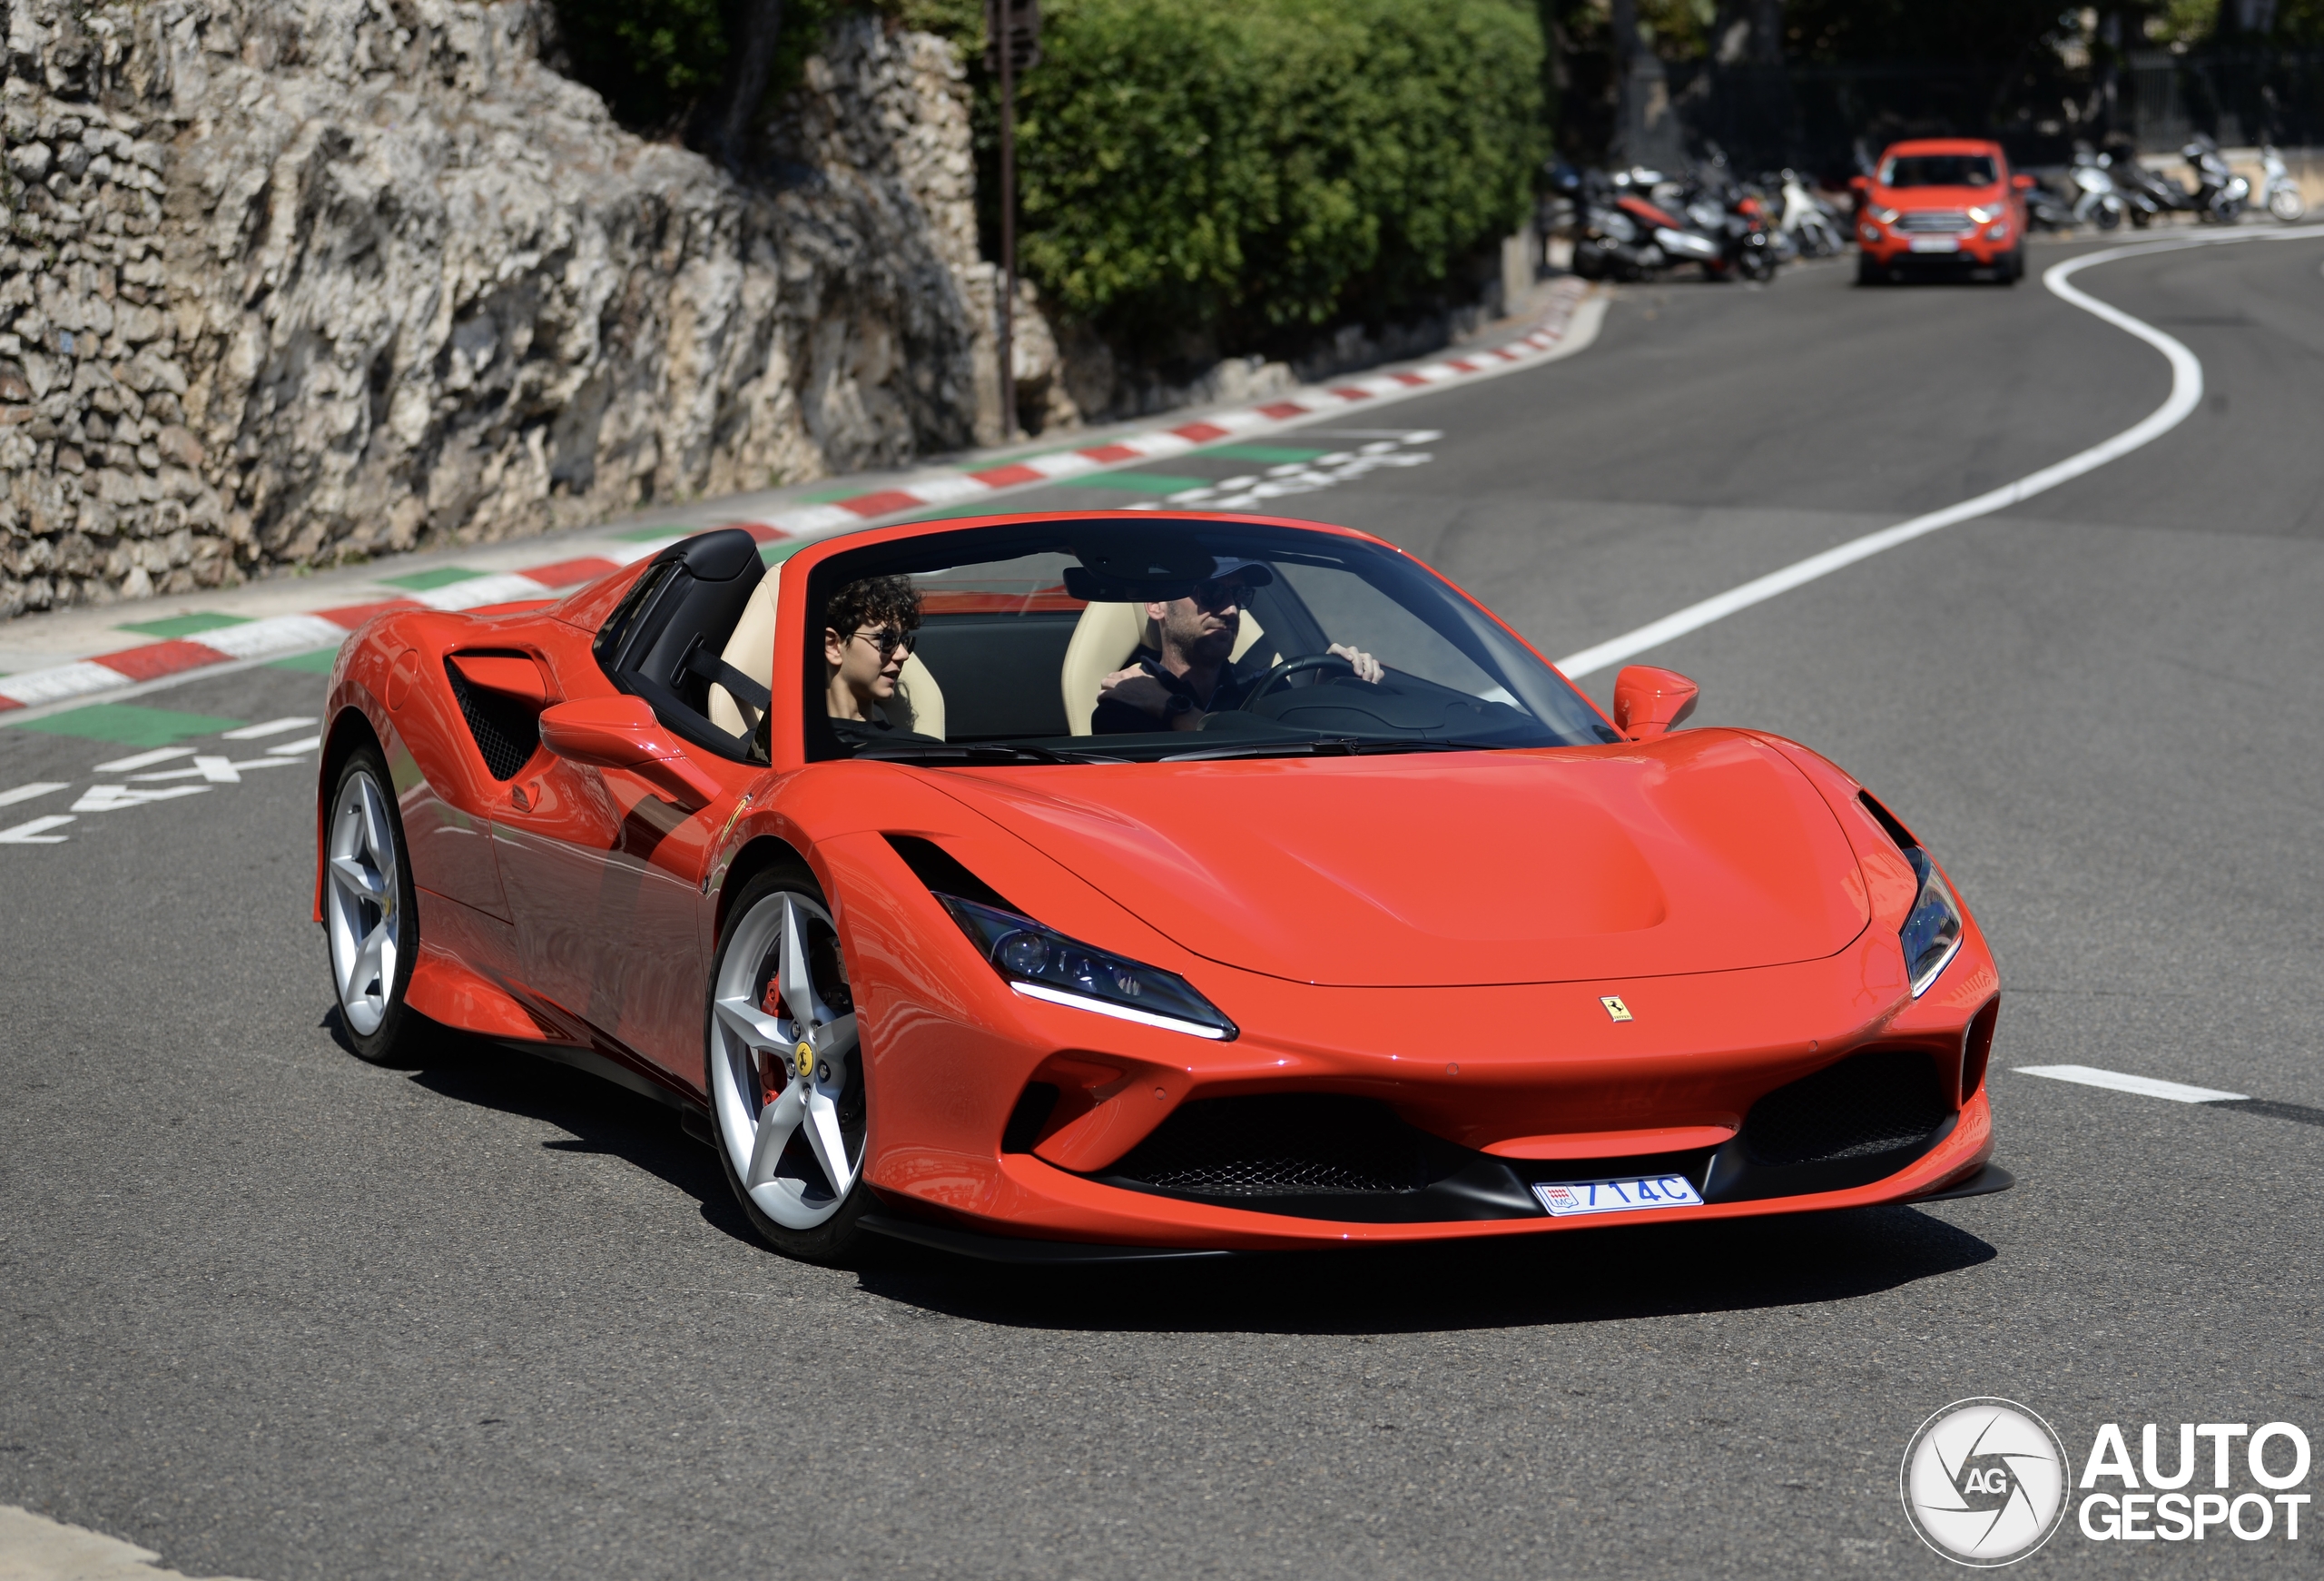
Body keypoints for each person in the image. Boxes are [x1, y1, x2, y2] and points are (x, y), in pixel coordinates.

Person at [1092, 560, 1381, 735]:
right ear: (1156, 605)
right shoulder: (1125, 703)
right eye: (1212, 592)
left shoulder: (1268, 690)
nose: (1231, 609)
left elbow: (1294, 761)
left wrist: (1326, 694)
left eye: (1240, 594)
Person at [823, 574, 921, 744]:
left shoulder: (916, 750)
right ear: (833, 646)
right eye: (887, 639)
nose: (904, 655)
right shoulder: (790, 744)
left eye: (905, 641)